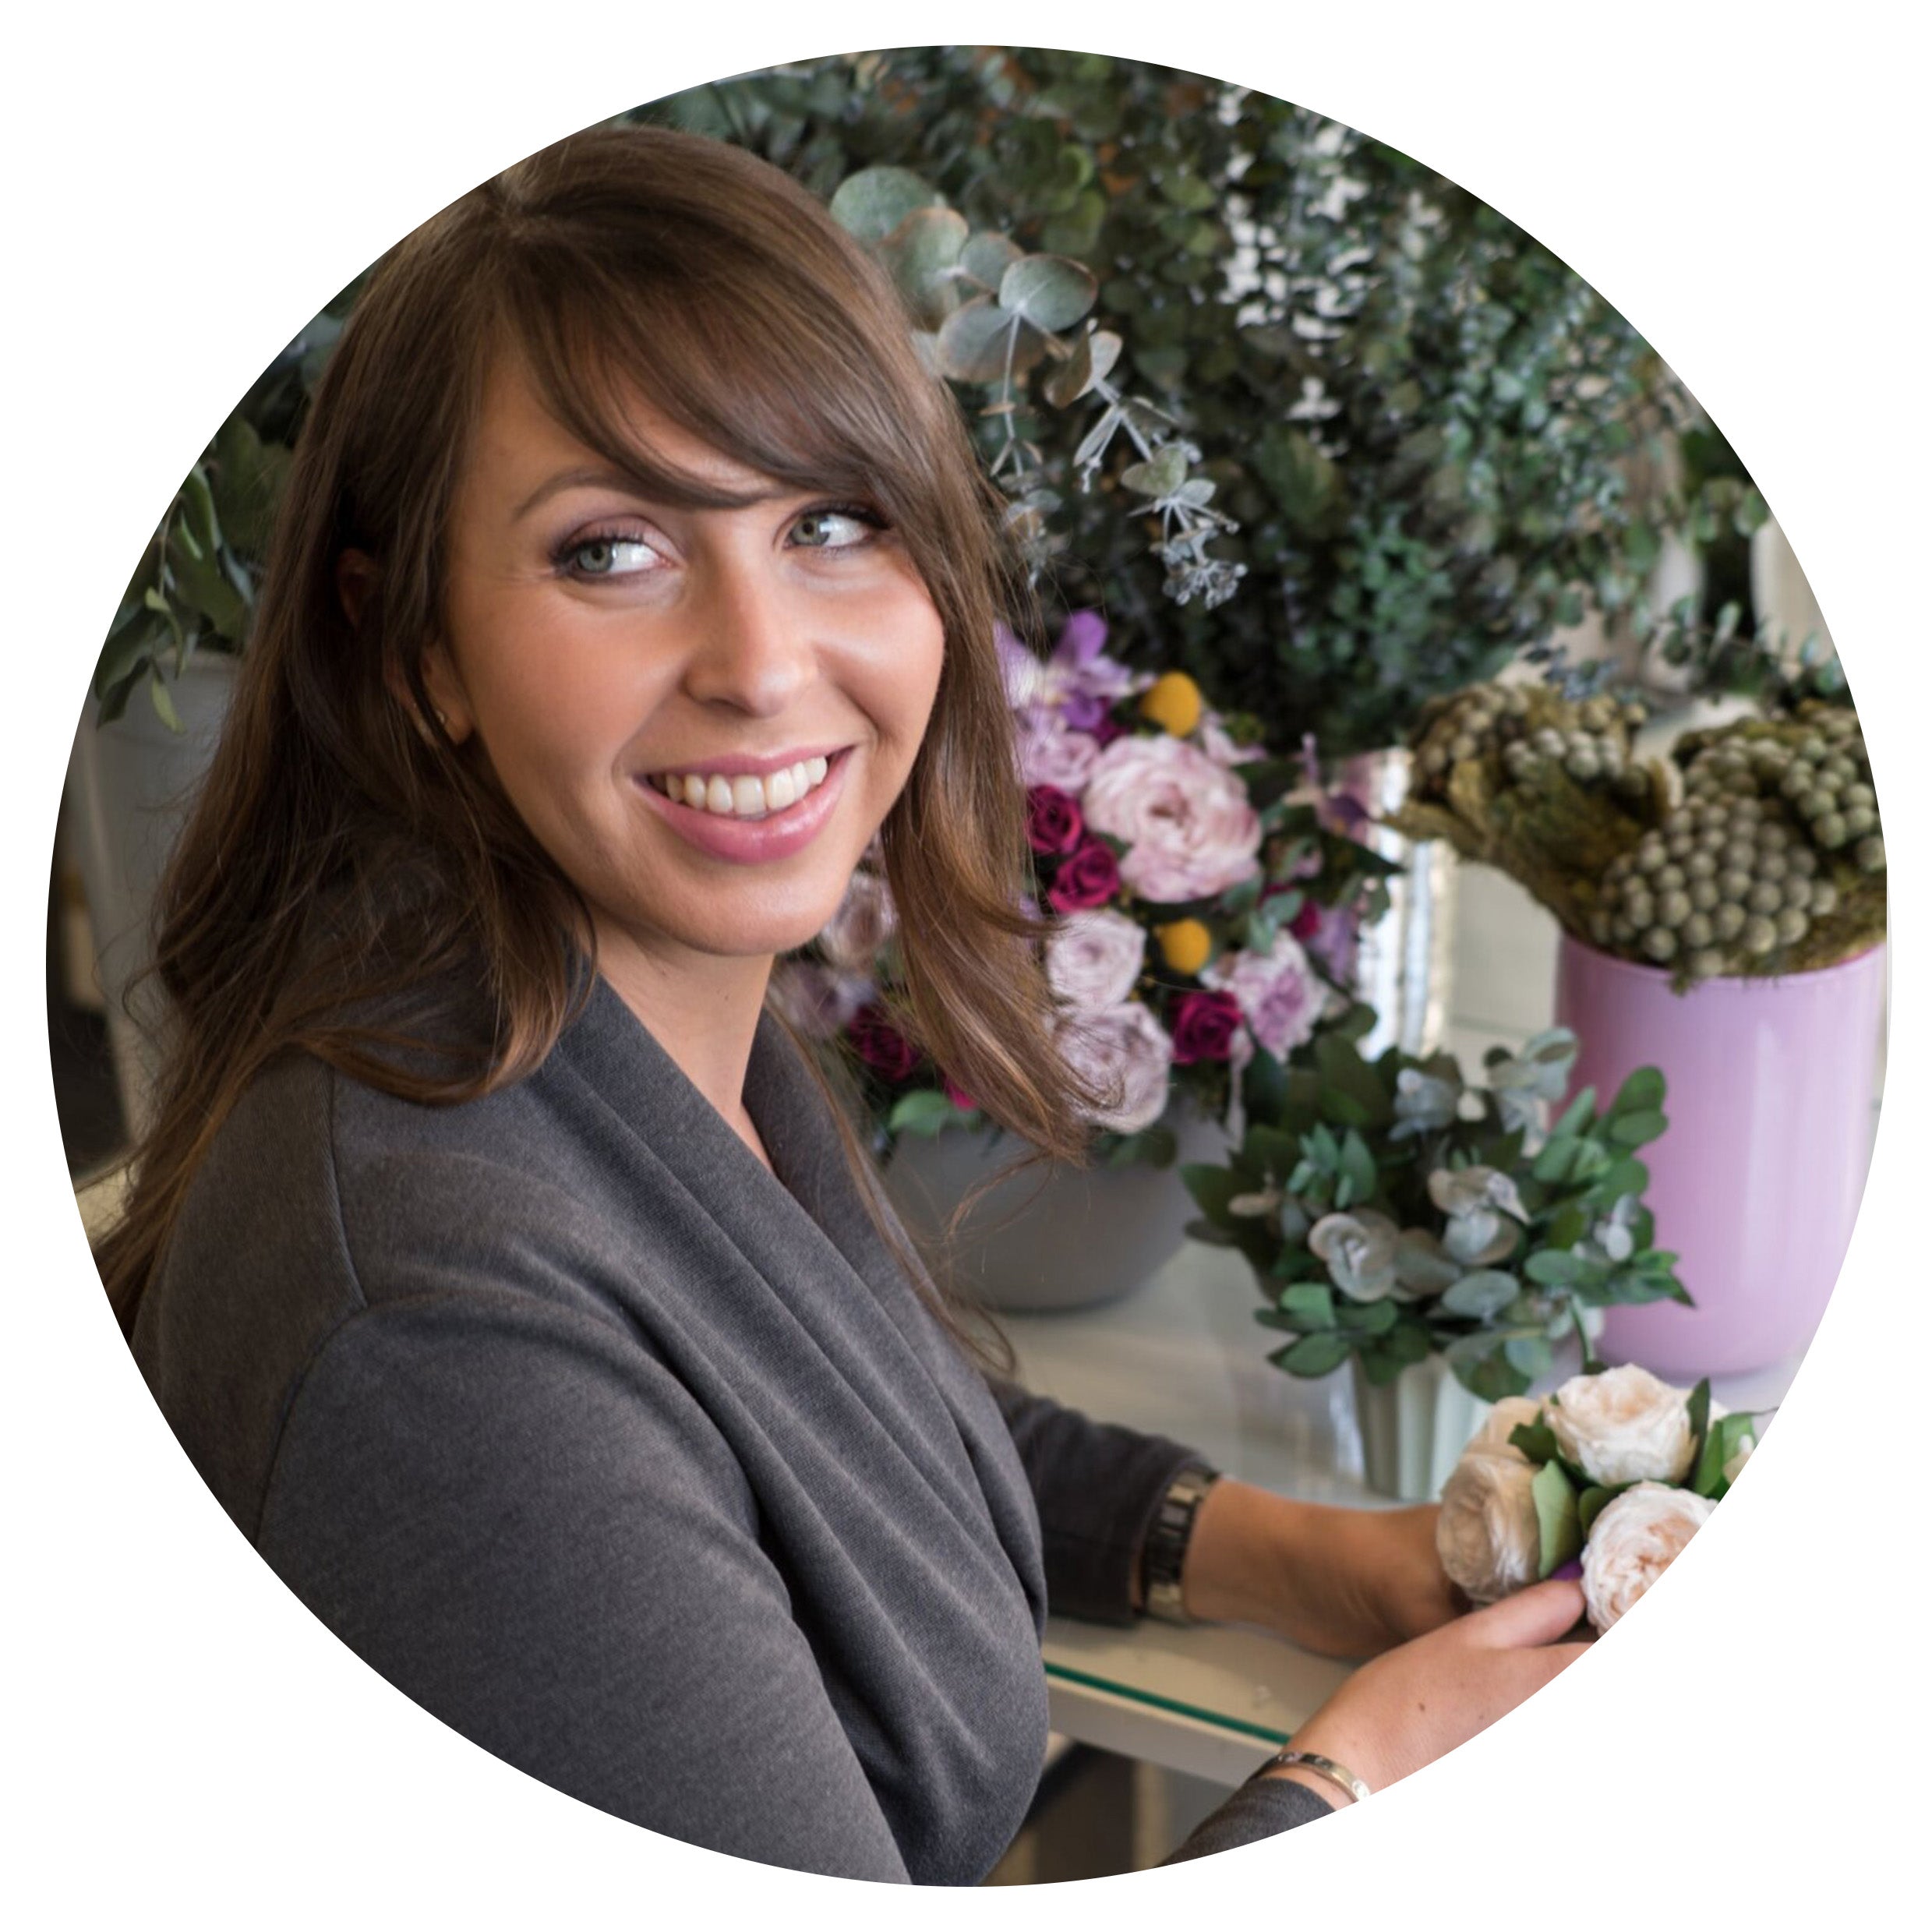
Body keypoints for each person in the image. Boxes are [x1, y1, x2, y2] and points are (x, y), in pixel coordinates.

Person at [101, 123, 1588, 1883]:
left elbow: (826, 1429)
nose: (760, 663)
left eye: (827, 522)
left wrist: (1307, 1558)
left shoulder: (622, 1020)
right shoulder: (436, 1324)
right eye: (609, 550)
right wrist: (1364, 1779)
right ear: (415, 645)